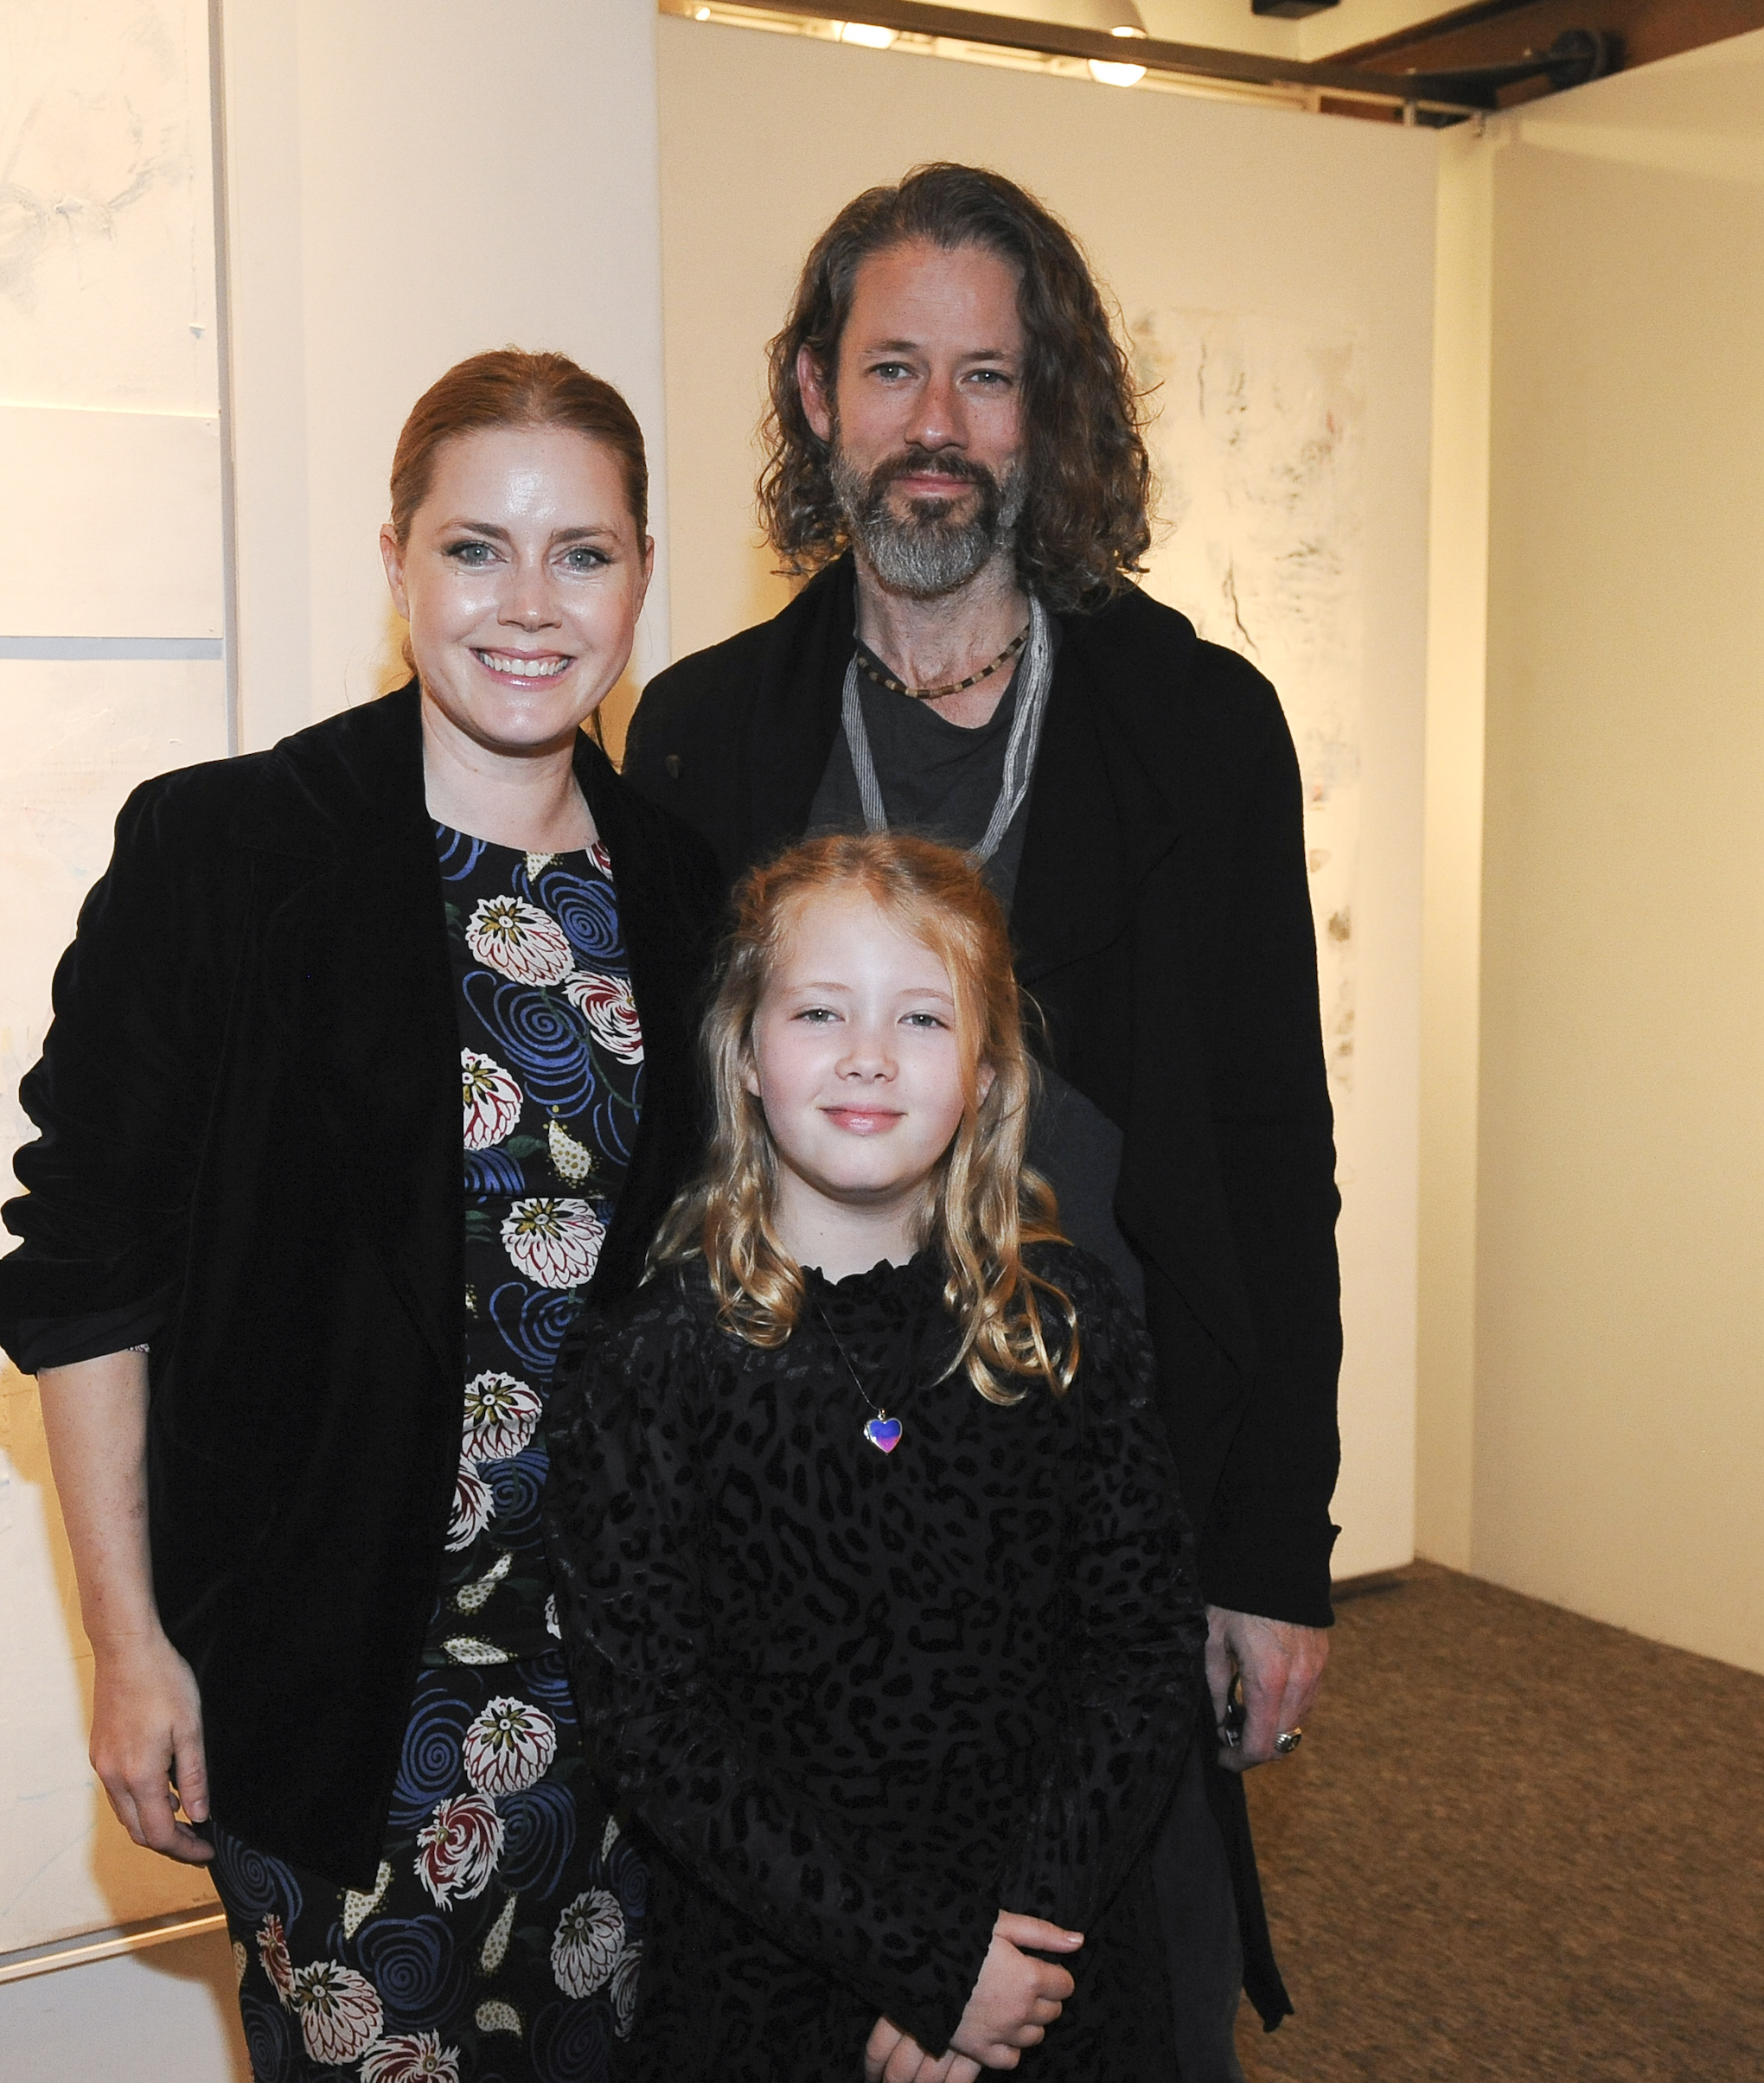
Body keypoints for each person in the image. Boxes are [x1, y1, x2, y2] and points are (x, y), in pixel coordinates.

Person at [620, 163, 1341, 2070]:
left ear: (1051, 410)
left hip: (1117, 1502)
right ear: (811, 394)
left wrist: (1275, 1549)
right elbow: (672, 1153)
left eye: (990, 379)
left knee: (1124, 2014)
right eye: (893, 372)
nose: (937, 429)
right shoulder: (697, 737)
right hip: (796, 1533)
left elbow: (1276, 1152)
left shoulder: (1200, 725)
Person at [0, 350, 721, 2083]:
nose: (530, 605)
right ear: (395, 562)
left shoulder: (695, 887)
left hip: (634, 1717)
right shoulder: (226, 853)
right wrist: (129, 1640)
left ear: (641, 575)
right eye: (477, 548)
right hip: (341, 1696)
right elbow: (92, 1276)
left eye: (583, 553)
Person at [545, 833, 1203, 2082]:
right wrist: (924, 1961)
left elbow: (1141, 1656)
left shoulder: (1065, 1323)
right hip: (775, 1971)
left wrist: (998, 1965)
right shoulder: (652, 1364)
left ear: (990, 1071)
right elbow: (656, 1731)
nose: (866, 1055)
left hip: (1048, 1958)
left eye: (919, 1017)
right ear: (744, 1052)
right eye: (818, 1011)